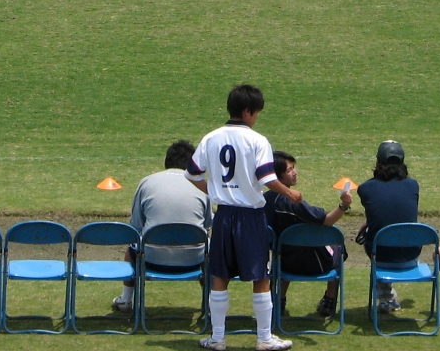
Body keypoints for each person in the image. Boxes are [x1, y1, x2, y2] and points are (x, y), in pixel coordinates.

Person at [186, 84, 301, 351]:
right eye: (257, 112)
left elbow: (192, 173)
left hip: (224, 216)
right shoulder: (257, 140)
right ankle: (264, 338)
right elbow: (266, 178)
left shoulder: (211, 138)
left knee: (220, 276)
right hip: (251, 217)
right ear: (248, 111)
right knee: (260, 276)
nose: (257, 117)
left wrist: (214, 190)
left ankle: (217, 338)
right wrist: (289, 193)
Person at [111, 140, 213, 314]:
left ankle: (126, 299)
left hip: (152, 258)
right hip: (194, 260)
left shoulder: (147, 182)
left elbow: (135, 227)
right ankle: (211, 302)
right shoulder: (202, 186)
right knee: (209, 249)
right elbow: (207, 225)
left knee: (131, 249)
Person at [264, 152, 352, 317]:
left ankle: (279, 301)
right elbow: (326, 221)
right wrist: (344, 206)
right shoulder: (292, 203)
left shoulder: (263, 201)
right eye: (289, 170)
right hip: (313, 264)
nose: (295, 172)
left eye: (293, 167)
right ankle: (329, 302)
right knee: (339, 246)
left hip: (281, 263)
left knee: (286, 247)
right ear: (277, 175)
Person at [355, 141, 420, 315]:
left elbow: (379, 213)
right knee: (387, 236)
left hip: (381, 257)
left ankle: (386, 297)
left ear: (378, 161)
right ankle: (387, 297)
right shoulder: (413, 185)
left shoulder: (365, 188)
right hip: (411, 256)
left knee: (375, 237)